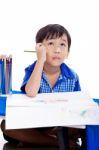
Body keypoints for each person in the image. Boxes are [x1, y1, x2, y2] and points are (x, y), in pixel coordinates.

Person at [1, 24, 86, 150]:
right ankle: (54, 141)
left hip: (60, 124)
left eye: (62, 44)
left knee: (84, 125)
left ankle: (36, 139)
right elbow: (30, 92)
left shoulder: (72, 76)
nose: (57, 50)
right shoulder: (32, 70)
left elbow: (78, 106)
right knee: (5, 125)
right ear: (39, 49)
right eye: (51, 43)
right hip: (35, 123)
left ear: (68, 52)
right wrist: (40, 60)